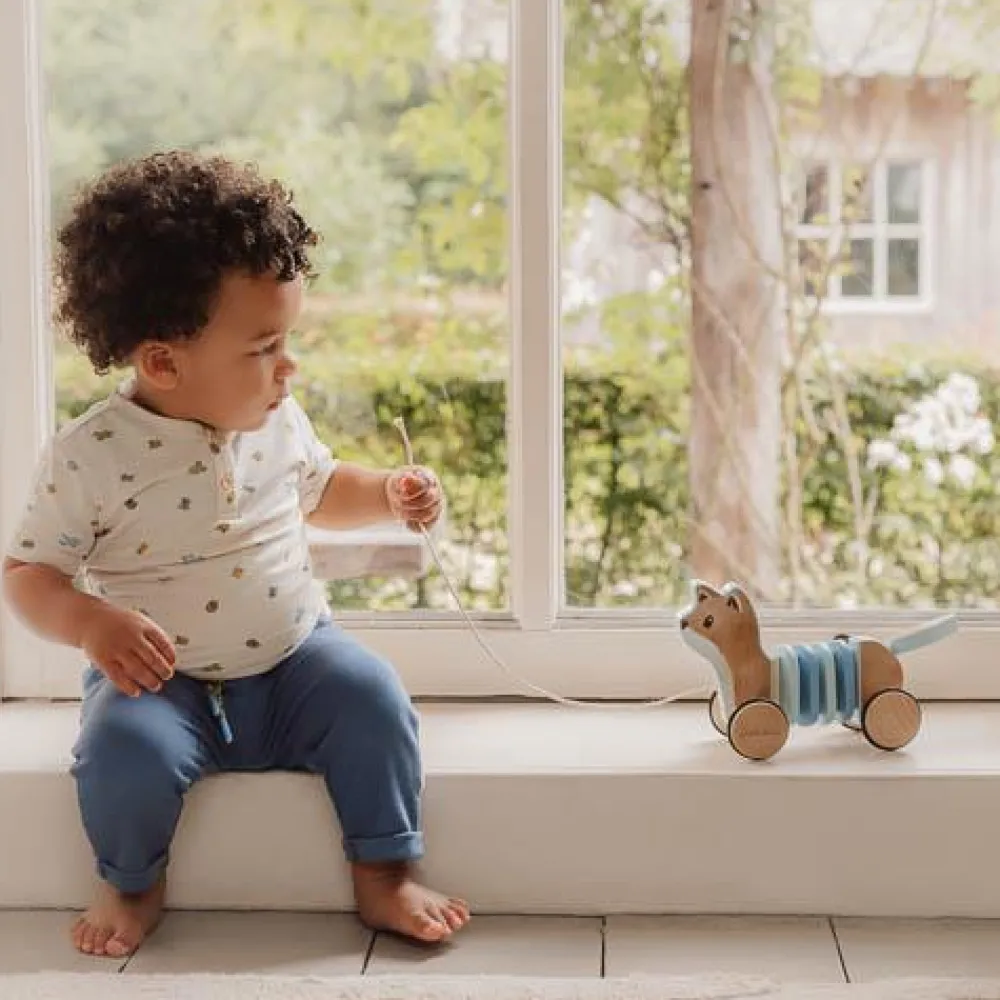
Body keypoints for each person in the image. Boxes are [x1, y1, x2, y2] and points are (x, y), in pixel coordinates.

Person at [1, 150, 469, 959]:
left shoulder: (276, 418)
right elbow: (29, 574)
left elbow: (322, 489)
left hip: (296, 661)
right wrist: (91, 623)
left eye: (287, 341)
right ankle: (132, 884)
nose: (289, 367)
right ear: (163, 362)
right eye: (263, 348)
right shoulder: (91, 455)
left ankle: (385, 873)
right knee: (121, 753)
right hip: (159, 683)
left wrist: (390, 494)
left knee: (374, 700)